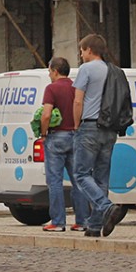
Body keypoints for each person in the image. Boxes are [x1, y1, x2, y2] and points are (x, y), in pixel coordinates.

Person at [71, 34, 120, 237]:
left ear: (89, 50)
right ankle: (95, 225)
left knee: (81, 174)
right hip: (110, 128)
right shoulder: (113, 70)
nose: (81, 55)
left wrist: (76, 124)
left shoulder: (86, 69)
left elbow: (78, 101)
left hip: (90, 126)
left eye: (82, 51)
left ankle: (106, 206)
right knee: (102, 177)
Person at [41, 56, 87, 232]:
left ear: (55, 70)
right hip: (76, 135)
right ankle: (82, 221)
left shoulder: (51, 89)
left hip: (56, 137)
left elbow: (46, 115)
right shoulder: (77, 87)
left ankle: (58, 222)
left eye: (49, 71)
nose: (49, 75)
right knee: (79, 180)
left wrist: (43, 133)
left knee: (55, 181)